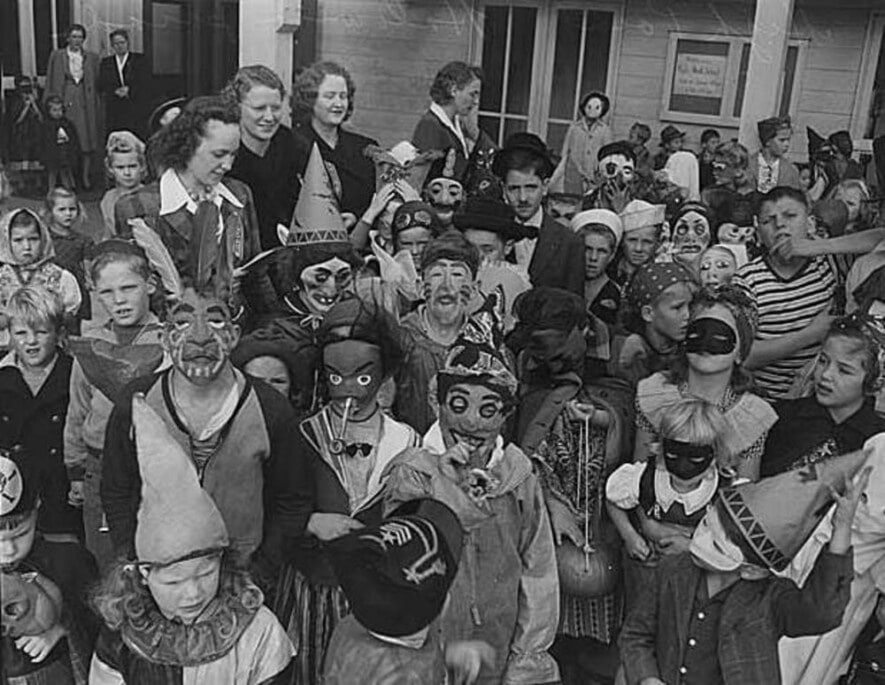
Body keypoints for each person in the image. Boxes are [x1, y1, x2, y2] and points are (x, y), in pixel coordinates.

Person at [383, 326, 561, 685]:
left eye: (489, 408)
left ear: (505, 414)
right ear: (438, 402)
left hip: (496, 642)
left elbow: (538, 568)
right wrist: (447, 482)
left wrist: (527, 654)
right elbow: (400, 554)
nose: (472, 421)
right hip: (426, 645)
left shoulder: (517, 475)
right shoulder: (413, 472)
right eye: (460, 404)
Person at [100, 276, 304, 584]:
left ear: (234, 335)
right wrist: (134, 558)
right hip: (160, 577)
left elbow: (292, 499)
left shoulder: (270, 408)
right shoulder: (137, 403)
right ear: (166, 338)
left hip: (242, 577)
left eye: (216, 322)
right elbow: (117, 489)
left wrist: (262, 570)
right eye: (182, 323)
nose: (200, 337)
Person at [620, 443, 869, 685]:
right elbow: (636, 635)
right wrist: (647, 678)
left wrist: (842, 531)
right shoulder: (672, 570)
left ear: (751, 570)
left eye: (717, 546)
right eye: (705, 526)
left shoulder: (771, 599)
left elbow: (821, 614)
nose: (700, 543)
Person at [90, 394, 294, 683]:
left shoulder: (259, 631)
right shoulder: (120, 639)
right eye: (174, 581)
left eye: (206, 573)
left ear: (222, 562)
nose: (193, 594)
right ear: (143, 574)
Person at [273, 296, 420, 685]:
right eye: (336, 377)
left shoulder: (409, 443)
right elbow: (269, 504)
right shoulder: (302, 434)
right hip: (312, 592)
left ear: (384, 372)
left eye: (363, 376)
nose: (350, 389)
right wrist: (309, 521)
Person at [508, 287, 626, 674]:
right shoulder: (527, 375)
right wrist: (552, 502)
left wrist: (607, 420)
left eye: (557, 347)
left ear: (583, 331)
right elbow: (519, 449)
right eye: (540, 350)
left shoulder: (620, 358)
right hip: (546, 517)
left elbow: (638, 421)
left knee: (599, 640)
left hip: (603, 518)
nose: (549, 360)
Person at [239, 143, 362, 415]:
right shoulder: (270, 328)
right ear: (296, 276)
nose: (331, 288)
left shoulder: (357, 318)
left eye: (342, 277)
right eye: (320, 276)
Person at [64, 241, 166, 568]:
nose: (119, 300)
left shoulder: (168, 340)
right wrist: (76, 470)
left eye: (128, 288)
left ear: (149, 285)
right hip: (99, 465)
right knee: (108, 558)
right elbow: (77, 409)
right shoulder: (91, 345)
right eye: (107, 292)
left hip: (153, 466)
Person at [324, 498, 496, 685]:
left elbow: (390, 658)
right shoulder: (408, 678)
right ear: (445, 603)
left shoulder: (353, 625)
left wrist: (446, 655)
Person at [113, 95, 261, 296]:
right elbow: (134, 288)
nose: (228, 165)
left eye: (233, 154)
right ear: (187, 146)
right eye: (218, 155)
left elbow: (256, 274)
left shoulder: (240, 194)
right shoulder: (137, 207)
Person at [632, 285, 776, 483]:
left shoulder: (752, 415)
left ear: (740, 351)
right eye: (698, 332)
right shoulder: (655, 394)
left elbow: (744, 494)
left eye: (719, 336)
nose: (706, 344)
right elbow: (637, 475)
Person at [0, 446, 99, 684]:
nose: (9, 550)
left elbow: (101, 623)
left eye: (21, 534)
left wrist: (64, 627)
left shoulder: (69, 562)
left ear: (37, 509)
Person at [734, 186, 837, 400]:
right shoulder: (747, 281)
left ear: (810, 223)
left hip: (819, 403)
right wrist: (810, 335)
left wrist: (821, 247)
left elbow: (878, 240)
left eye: (790, 216)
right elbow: (742, 356)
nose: (779, 224)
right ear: (759, 233)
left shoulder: (830, 265)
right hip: (766, 403)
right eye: (767, 221)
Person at [0, 286, 83, 540]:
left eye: (41, 332)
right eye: (21, 333)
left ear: (58, 333)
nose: (31, 342)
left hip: (61, 491)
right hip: (11, 495)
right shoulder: (3, 377)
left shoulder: (75, 374)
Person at [761, 314, 885, 477]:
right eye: (823, 361)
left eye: (844, 370)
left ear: (873, 381)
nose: (826, 374)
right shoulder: (777, 418)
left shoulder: (878, 442)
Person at [393, 232, 481, 434]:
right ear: (420, 287)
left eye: (458, 275)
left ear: (475, 289)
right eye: (437, 275)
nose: (446, 286)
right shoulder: (399, 338)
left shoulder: (487, 343)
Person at [493, 132, 585, 294]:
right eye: (514, 188)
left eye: (530, 187)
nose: (522, 198)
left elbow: (573, 308)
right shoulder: (492, 234)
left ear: (545, 186)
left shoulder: (569, 243)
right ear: (503, 189)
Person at [225, 65, 302, 251]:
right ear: (237, 107)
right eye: (259, 108)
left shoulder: (295, 145)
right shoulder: (223, 150)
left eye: (275, 108)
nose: (269, 117)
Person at [291, 61, 378, 220]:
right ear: (310, 99)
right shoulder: (292, 145)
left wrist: (356, 217)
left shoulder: (366, 148)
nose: (338, 104)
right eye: (329, 96)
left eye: (343, 96)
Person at [0, 208, 82, 349]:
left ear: (43, 238)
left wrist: (46, 317)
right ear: (7, 241)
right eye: (18, 240)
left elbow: (70, 318)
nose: (26, 246)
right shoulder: (2, 278)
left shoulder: (61, 277)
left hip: (50, 350)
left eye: (33, 239)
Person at [611, 261, 695, 386]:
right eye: (677, 308)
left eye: (690, 306)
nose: (687, 315)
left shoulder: (690, 347)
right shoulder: (628, 354)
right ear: (648, 313)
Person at [45, 24, 100, 190]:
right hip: (65, 99)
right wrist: (51, 101)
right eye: (74, 36)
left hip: (84, 101)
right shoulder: (58, 55)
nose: (77, 40)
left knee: (85, 140)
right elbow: (50, 79)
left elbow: (97, 82)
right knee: (63, 139)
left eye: (80, 37)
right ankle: (65, 179)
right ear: (68, 38)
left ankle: (85, 177)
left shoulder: (92, 57)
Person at [412, 61, 483, 183]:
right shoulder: (430, 125)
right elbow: (423, 177)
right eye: (472, 94)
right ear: (453, 90)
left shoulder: (457, 124)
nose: (476, 101)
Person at [42, 187, 91, 331]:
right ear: (51, 211)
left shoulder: (83, 240)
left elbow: (87, 265)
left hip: (75, 289)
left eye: (72, 209)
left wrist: (89, 279)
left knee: (73, 328)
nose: (68, 214)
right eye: (62, 209)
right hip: (51, 286)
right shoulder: (44, 238)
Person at [552, 91, 614, 195]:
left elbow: (608, 155)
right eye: (589, 106)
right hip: (574, 173)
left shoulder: (605, 130)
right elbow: (565, 151)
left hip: (594, 176)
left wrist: (601, 173)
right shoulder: (574, 128)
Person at [571, 208, 623, 327]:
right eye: (587, 249)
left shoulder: (617, 294)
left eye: (602, 251)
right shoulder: (562, 285)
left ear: (612, 255)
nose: (593, 257)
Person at [97, 29, 149, 138]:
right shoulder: (106, 62)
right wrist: (114, 91)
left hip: (135, 105)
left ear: (127, 43)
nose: (119, 46)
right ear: (112, 45)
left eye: (122, 42)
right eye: (116, 43)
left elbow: (146, 81)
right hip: (114, 107)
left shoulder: (139, 60)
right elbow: (101, 84)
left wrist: (130, 89)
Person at [99, 130, 146, 241]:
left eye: (132, 166)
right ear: (110, 169)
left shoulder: (149, 196)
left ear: (142, 166)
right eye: (120, 167)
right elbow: (108, 234)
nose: (127, 173)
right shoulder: (108, 198)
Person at [610, 199, 665, 287]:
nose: (638, 248)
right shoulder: (608, 272)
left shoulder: (662, 277)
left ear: (658, 243)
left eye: (647, 242)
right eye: (632, 240)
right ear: (622, 241)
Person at [751, 115, 802, 193]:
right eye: (782, 140)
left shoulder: (790, 170)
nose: (786, 144)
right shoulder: (749, 164)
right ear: (767, 141)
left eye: (788, 140)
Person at [39, 95, 79, 192]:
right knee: (52, 174)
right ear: (48, 111)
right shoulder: (46, 125)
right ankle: (51, 192)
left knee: (65, 173)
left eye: (60, 110)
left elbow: (73, 139)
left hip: (65, 153)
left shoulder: (67, 124)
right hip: (52, 155)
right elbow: (43, 142)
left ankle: (68, 191)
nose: (58, 113)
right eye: (54, 110)